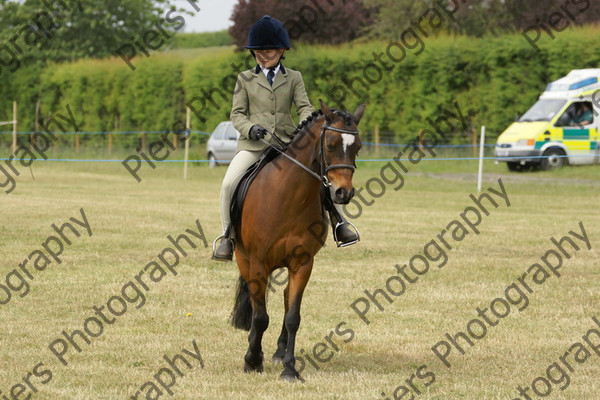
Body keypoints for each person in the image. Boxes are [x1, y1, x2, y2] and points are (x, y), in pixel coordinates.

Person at [212, 15, 359, 261]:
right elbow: (237, 114)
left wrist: (306, 124)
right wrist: (250, 129)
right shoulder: (244, 79)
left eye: (267, 51)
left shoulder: (294, 77)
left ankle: (339, 223)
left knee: (319, 180)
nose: (262, 56)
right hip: (254, 145)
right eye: (258, 52)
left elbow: (304, 107)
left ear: (281, 51)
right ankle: (227, 235)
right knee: (229, 183)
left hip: (287, 143)